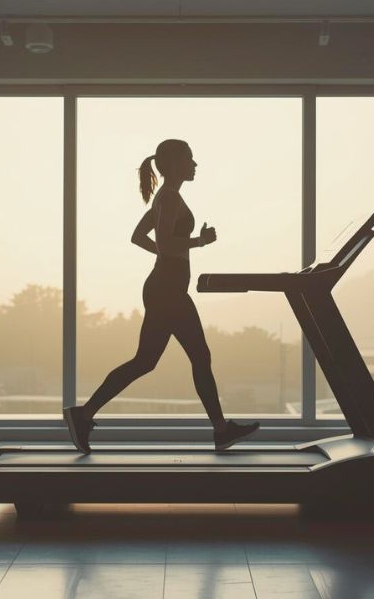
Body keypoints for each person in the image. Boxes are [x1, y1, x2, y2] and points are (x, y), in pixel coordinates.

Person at [64, 139, 260, 453]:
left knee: (146, 361)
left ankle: (83, 415)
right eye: (190, 159)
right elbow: (167, 245)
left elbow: (139, 237)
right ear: (172, 164)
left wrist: (171, 254)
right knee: (198, 356)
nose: (195, 165)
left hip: (164, 286)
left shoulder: (165, 197)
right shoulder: (169, 198)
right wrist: (200, 242)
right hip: (167, 289)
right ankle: (221, 430)